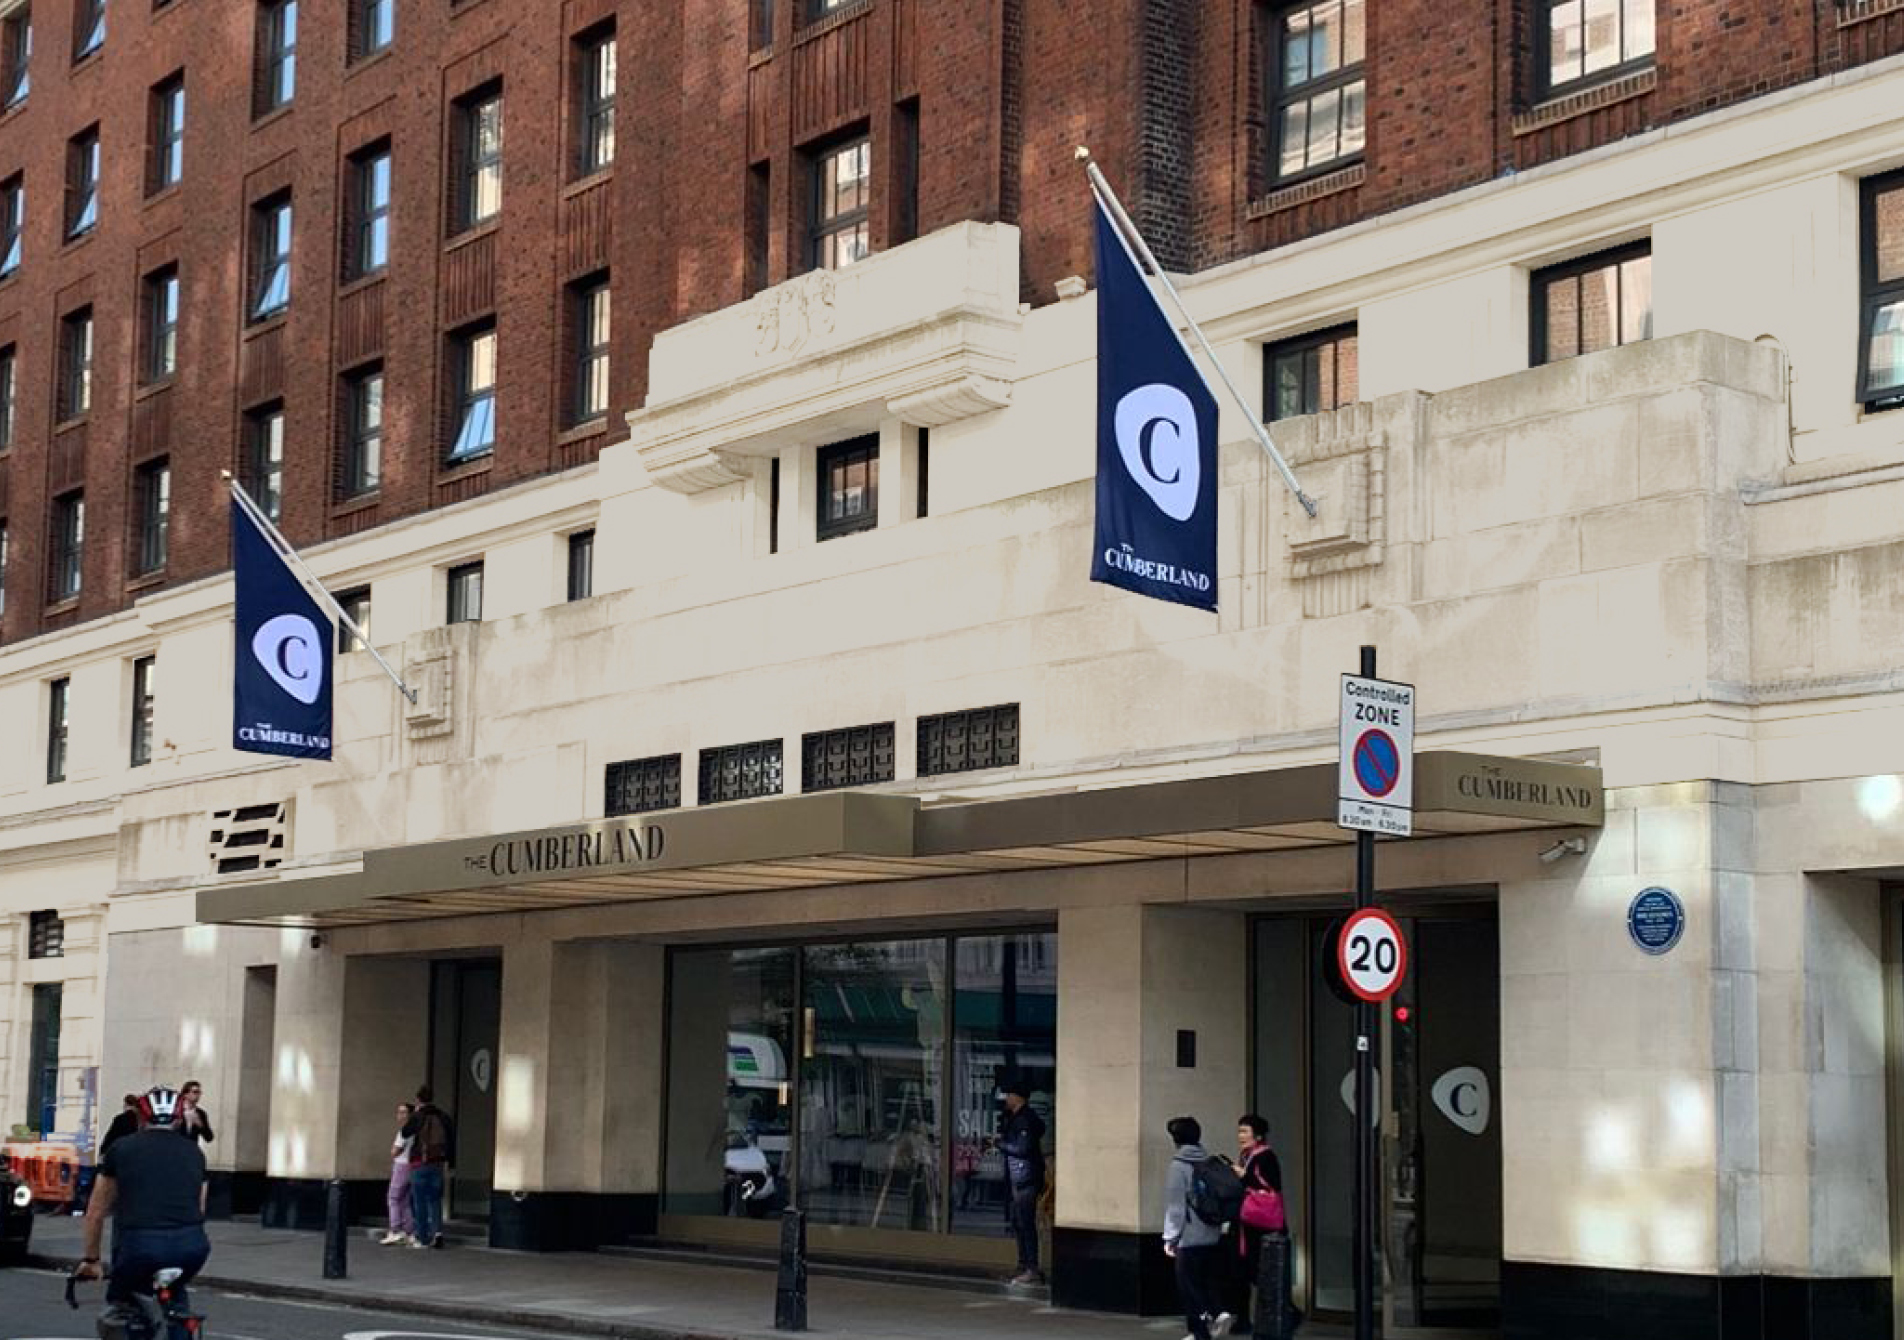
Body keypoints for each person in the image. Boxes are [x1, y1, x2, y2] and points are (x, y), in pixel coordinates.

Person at [74, 1087, 211, 1319]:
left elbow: (96, 1211)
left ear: (141, 1117)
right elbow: (200, 1207)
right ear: (178, 1119)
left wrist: (91, 1259)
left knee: (120, 1304)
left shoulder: (122, 1149)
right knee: (175, 1292)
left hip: (140, 1246)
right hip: (193, 1247)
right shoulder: (195, 1153)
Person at [1163, 1116, 1234, 1340]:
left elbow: (1176, 1207)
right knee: (1208, 1280)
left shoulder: (1178, 1166)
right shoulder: (1208, 1161)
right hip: (1212, 1232)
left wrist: (1170, 1238)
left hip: (1189, 1236)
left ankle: (1199, 1331)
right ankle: (1219, 1312)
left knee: (1189, 1287)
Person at [1227, 1114, 1284, 1322]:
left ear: (1257, 1135)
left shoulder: (1265, 1156)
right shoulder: (1246, 1155)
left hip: (1260, 1224)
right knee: (1242, 1272)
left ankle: (1280, 1313)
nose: (1240, 1136)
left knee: (1257, 1271)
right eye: (1239, 1131)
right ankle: (1244, 1318)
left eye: (1245, 1131)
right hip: (1245, 1223)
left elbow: (1272, 1186)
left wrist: (1244, 1176)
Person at [996, 1081, 1047, 1286]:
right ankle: (1023, 1264)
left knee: (1026, 1223)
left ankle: (1032, 1268)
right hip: (1020, 1176)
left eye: (1009, 1095)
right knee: (1018, 1223)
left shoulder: (1025, 1120)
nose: (1006, 1099)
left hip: (1025, 1177)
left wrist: (1000, 1144)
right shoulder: (1017, 1118)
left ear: (1018, 1097)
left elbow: (1023, 1148)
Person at [403, 1084, 455, 1249]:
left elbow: (405, 1132)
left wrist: (416, 1112)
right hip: (437, 1164)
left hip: (420, 1163)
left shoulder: (418, 1116)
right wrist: (451, 1163)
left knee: (419, 1201)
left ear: (418, 1099)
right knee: (435, 1200)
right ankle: (437, 1233)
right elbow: (451, 1141)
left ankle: (422, 1237)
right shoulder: (443, 1117)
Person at [380, 1101, 417, 1246]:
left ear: (410, 1115)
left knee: (393, 1198)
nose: (399, 1115)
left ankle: (395, 1229)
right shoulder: (416, 1132)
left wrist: (394, 1152)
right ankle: (409, 1231)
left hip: (401, 1165)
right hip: (412, 1166)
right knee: (405, 1200)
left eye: (403, 1112)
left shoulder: (404, 1132)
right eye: (398, 1112)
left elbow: (395, 1151)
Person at [99, 1094, 141, 1159]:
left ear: (126, 1104)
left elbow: (111, 1136)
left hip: (122, 1153)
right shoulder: (141, 1120)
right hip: (136, 1153)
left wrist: (102, 1151)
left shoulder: (120, 1119)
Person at [174, 1080, 214, 1145]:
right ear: (185, 1094)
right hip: (176, 1148)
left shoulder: (201, 1113)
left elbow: (209, 1138)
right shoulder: (176, 1110)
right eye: (195, 1092)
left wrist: (200, 1124)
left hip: (191, 1150)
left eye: (199, 1092)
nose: (198, 1095)